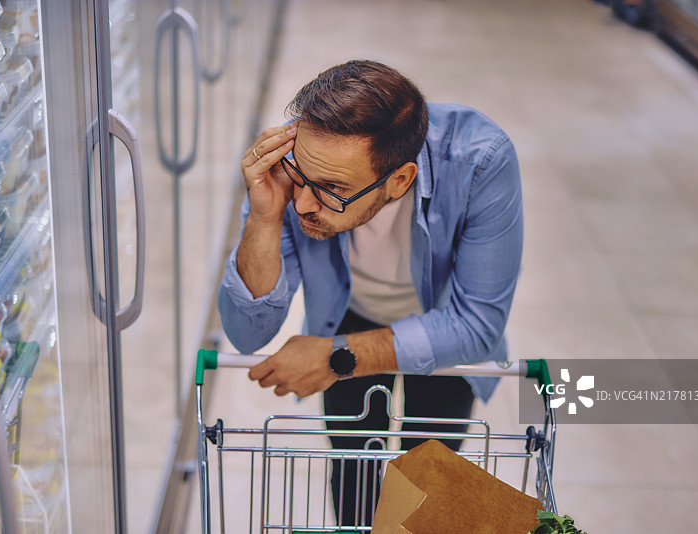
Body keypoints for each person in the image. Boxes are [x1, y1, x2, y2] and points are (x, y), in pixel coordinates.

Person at [218, 59, 523, 526]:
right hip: (349, 314)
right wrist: (263, 218)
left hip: (439, 325)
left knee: (428, 480)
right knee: (354, 469)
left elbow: (476, 326)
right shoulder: (294, 162)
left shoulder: (480, 160)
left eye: (332, 190)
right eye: (303, 179)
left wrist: (335, 356)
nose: (303, 205)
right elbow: (246, 332)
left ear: (399, 180)